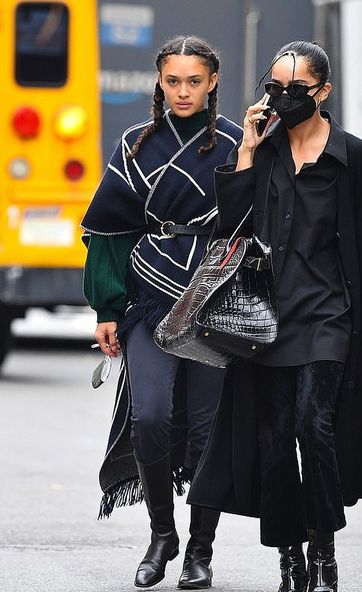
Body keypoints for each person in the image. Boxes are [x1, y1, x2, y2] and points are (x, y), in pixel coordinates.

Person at [187, 41, 362, 592]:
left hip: (329, 319)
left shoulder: (354, 160)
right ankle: (290, 557)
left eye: (296, 90)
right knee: (273, 439)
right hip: (266, 322)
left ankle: (324, 547)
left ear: (323, 92)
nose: (283, 98)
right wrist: (244, 151)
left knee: (316, 426)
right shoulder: (263, 155)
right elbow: (230, 235)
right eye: (274, 88)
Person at [81, 36, 242, 589]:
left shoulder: (237, 142)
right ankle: (161, 535)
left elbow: (258, 222)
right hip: (149, 294)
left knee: (206, 430)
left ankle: (200, 550)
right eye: (172, 81)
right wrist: (106, 305)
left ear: (212, 82)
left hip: (214, 297)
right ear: (159, 81)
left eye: (193, 81)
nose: (182, 91)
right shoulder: (134, 144)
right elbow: (108, 227)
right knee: (150, 416)